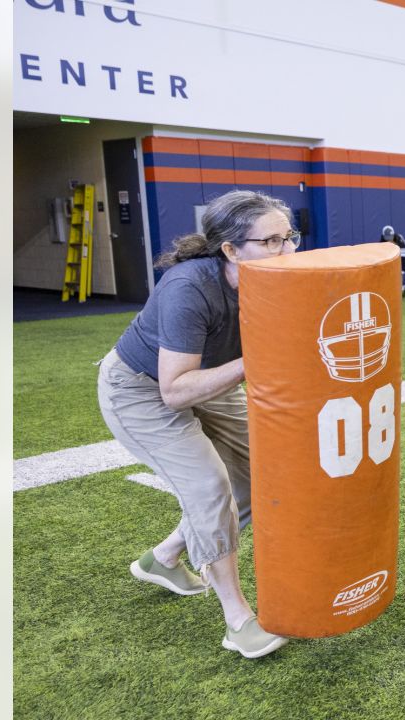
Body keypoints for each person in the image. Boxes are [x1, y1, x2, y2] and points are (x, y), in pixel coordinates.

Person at [97, 190, 299, 659]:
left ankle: (165, 557)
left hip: (212, 380)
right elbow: (176, 390)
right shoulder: (189, 287)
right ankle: (238, 621)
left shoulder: (275, 278)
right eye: (271, 242)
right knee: (211, 487)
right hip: (143, 390)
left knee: (258, 477)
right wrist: (256, 361)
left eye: (289, 238)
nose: (287, 252)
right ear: (230, 249)